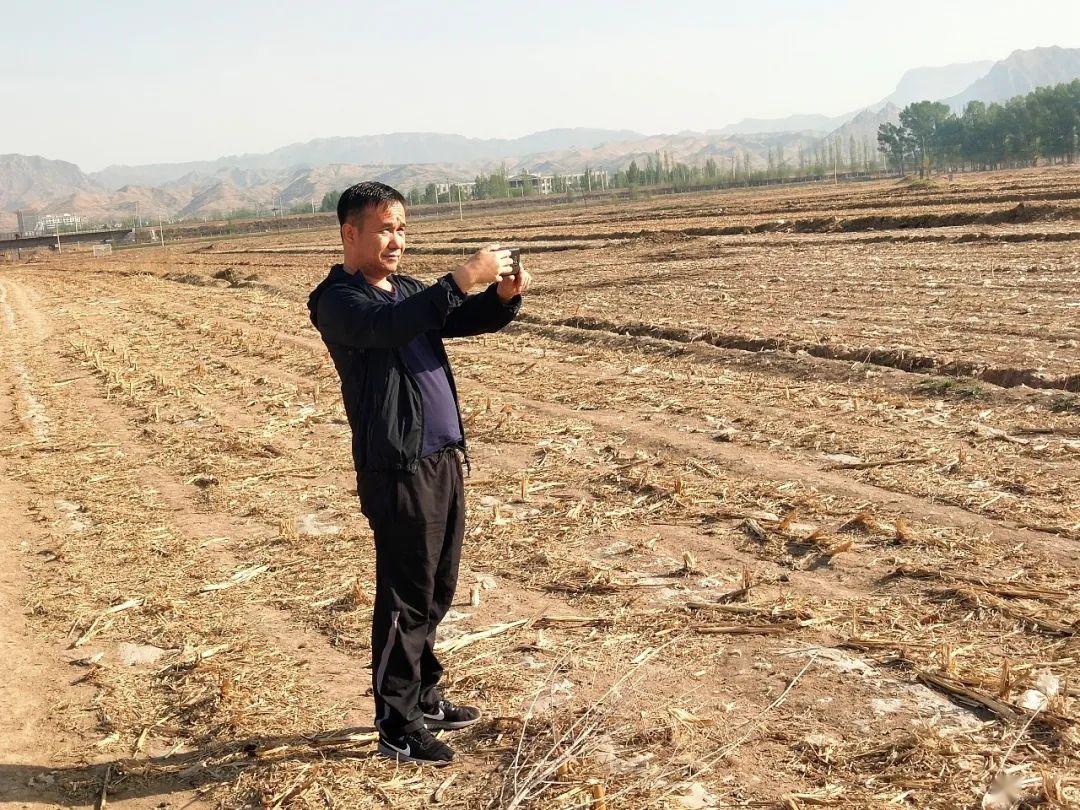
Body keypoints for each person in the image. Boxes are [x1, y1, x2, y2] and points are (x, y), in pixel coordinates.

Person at [306, 181, 531, 765]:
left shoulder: (407, 292)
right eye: (384, 228)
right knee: (406, 597)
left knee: (437, 588)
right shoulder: (338, 301)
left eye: (402, 228)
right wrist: (460, 277)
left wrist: (502, 297)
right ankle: (396, 721)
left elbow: (459, 319)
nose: (396, 239)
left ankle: (424, 694)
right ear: (350, 233)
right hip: (397, 468)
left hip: (443, 459)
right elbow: (392, 326)